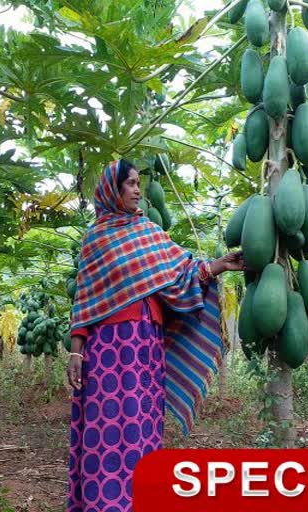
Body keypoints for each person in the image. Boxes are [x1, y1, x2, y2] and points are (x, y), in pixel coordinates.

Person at [66, 159, 245, 512]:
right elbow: (84, 300)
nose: (137, 191)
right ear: (112, 191)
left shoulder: (149, 232)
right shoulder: (95, 239)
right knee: (106, 427)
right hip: (107, 350)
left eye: (138, 184)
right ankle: (104, 503)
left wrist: (219, 265)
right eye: (130, 184)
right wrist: (75, 352)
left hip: (147, 345)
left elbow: (182, 271)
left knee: (143, 422)